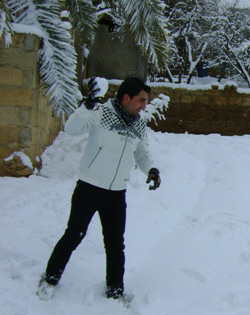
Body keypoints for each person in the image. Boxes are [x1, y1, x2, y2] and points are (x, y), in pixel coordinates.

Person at [37, 77, 161, 302]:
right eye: (141, 100)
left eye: (145, 101)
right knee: (74, 235)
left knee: (115, 244)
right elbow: (72, 128)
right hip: (89, 188)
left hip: (116, 193)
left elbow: (141, 151)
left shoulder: (139, 124)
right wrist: (87, 105)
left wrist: (151, 169)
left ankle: (115, 289)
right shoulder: (101, 112)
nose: (144, 105)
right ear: (126, 97)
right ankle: (50, 278)